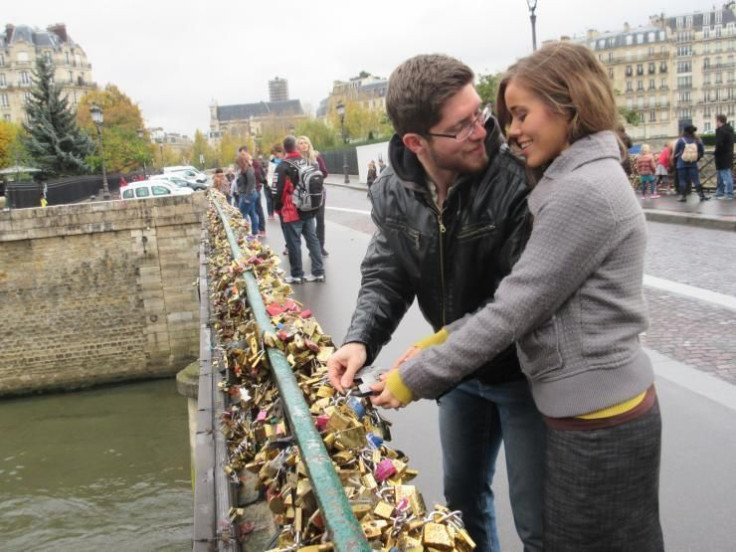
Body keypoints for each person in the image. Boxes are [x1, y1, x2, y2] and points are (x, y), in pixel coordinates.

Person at [369, 42, 664, 552]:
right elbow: (519, 296)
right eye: (505, 115)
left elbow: (515, 307)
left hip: (594, 414)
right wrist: (438, 340)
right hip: (583, 408)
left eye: (517, 114)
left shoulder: (581, 190)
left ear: (568, 105)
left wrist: (413, 376)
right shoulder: (570, 177)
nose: (505, 131)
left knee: (566, 536)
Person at [327, 54, 545, 552]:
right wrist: (360, 340)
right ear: (415, 143)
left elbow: (515, 303)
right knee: (462, 500)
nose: (483, 131)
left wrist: (428, 366)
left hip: (522, 372)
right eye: (461, 125)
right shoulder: (393, 192)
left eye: (479, 115)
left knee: (538, 521)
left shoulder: (517, 180)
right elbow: (388, 273)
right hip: (458, 374)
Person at [274, 136, 325, 284]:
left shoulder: (283, 166)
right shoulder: (307, 161)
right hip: (308, 207)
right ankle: (318, 272)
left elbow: (277, 191)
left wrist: (277, 208)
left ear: (284, 149)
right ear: (295, 147)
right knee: (313, 240)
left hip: (292, 210)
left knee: (293, 243)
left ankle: (297, 274)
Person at [296, 135, 330, 257]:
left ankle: (320, 247)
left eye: (305, 142)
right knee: (307, 223)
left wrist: (316, 178)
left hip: (318, 194)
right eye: (301, 143)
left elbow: (325, 173)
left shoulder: (316, 157)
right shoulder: (297, 160)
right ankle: (313, 248)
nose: (303, 145)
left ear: (309, 144)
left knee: (320, 220)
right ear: (297, 146)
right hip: (304, 196)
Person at [675, 125, 706, 202]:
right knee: (696, 180)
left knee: (682, 180)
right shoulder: (697, 140)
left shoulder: (681, 140)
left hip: (681, 163)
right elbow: (701, 153)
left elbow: (676, 153)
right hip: (693, 164)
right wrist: (696, 158)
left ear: (684, 131)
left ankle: (683, 196)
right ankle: (701, 195)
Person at [236, 151, 259, 236]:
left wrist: (247, 198)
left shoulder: (248, 170)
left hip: (248, 194)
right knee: (252, 213)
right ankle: (254, 232)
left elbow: (251, 183)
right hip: (250, 194)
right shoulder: (248, 169)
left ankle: (246, 233)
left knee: (242, 214)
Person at [714, 114, 735, 200]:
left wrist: (715, 152)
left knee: (725, 175)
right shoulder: (729, 130)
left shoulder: (721, 131)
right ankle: (720, 192)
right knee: (722, 174)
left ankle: (729, 194)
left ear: (719, 121)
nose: (715, 123)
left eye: (716, 121)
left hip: (722, 157)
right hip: (728, 155)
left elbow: (719, 144)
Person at [252, 155, 268, 236]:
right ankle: (261, 229)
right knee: (257, 210)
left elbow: (262, 175)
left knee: (255, 210)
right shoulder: (257, 164)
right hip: (257, 188)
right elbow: (263, 176)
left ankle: (258, 230)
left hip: (254, 189)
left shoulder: (252, 165)